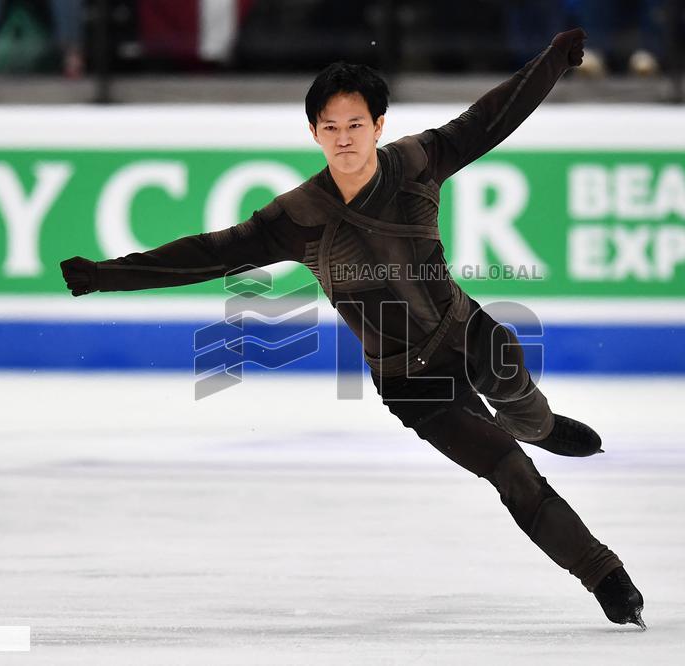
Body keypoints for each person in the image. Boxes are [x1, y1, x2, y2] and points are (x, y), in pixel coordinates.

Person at [60, 28, 646, 629]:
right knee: (511, 473)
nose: (344, 140)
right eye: (331, 128)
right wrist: (108, 275)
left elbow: (490, 118)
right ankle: (605, 574)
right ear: (314, 132)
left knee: (516, 387)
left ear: (379, 124)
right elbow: (207, 254)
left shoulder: (420, 161)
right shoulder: (295, 217)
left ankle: (539, 425)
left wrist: (551, 62)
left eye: (356, 125)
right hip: (410, 384)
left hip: (467, 332)